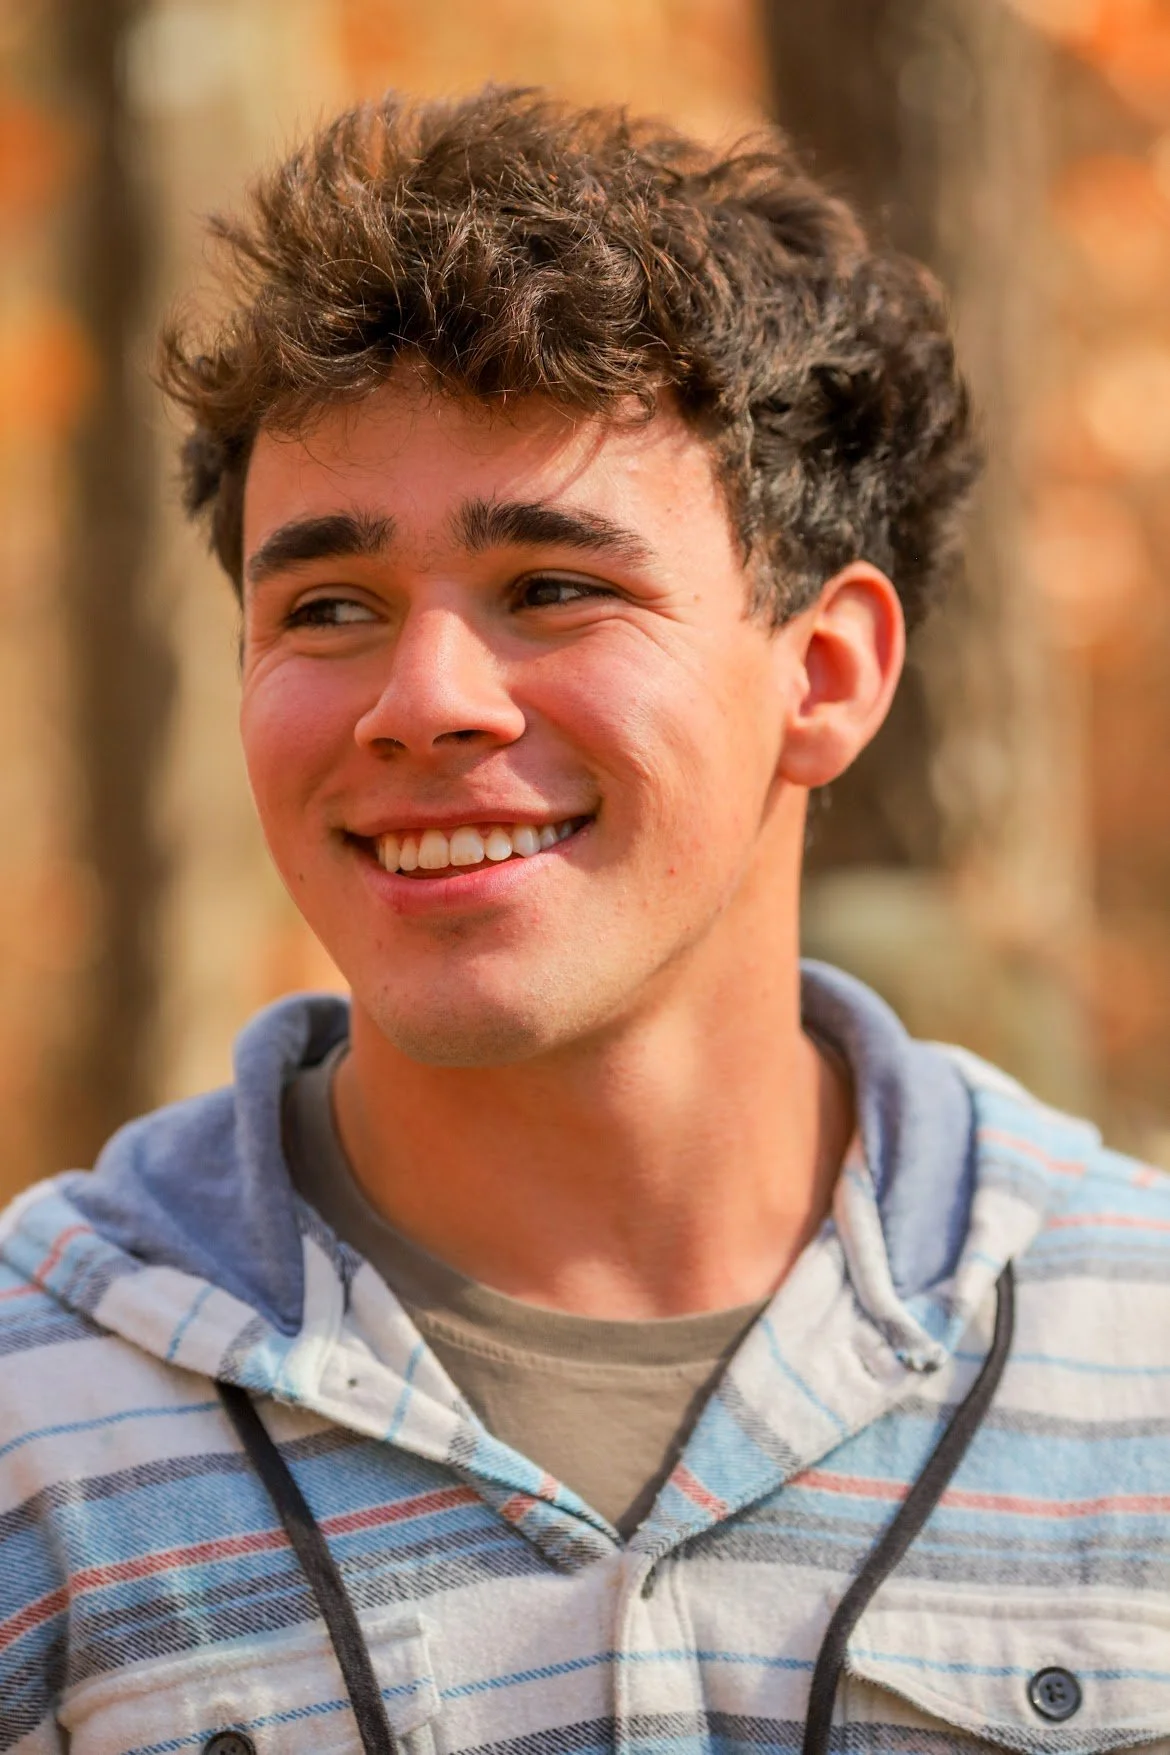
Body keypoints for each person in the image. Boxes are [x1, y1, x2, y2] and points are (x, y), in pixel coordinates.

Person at [2, 85, 1168, 1755]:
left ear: (823, 676)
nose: (421, 701)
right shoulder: (37, 1418)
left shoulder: (1136, 1362)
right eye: (327, 606)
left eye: (553, 586)